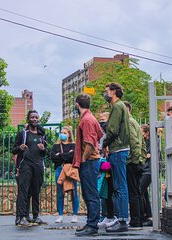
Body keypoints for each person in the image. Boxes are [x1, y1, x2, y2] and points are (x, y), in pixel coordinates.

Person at [72, 93, 103, 236]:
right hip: (90, 161)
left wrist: (83, 159)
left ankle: (92, 225)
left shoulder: (87, 120)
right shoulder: (88, 118)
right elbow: (100, 134)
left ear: (77, 104)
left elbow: (90, 143)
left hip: (90, 161)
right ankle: (90, 223)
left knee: (91, 194)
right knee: (88, 193)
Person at [102, 83, 130, 233]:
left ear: (113, 92)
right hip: (118, 149)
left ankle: (123, 220)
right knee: (119, 186)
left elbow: (112, 130)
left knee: (120, 186)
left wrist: (104, 144)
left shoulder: (117, 106)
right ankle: (120, 219)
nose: (105, 94)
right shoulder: (119, 107)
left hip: (118, 149)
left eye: (107, 91)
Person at [12, 110, 47, 227]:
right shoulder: (23, 134)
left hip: (38, 166)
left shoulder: (42, 135)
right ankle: (21, 217)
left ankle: (36, 216)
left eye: (36, 117)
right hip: (25, 165)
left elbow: (47, 152)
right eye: (32, 117)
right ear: (28, 119)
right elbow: (13, 149)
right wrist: (20, 148)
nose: (35, 119)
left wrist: (43, 149)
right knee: (24, 192)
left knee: (36, 192)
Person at [50, 126, 79, 223]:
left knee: (74, 192)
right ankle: (60, 215)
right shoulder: (55, 146)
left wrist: (60, 155)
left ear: (69, 135)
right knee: (59, 192)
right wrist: (66, 155)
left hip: (70, 170)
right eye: (61, 132)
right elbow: (53, 158)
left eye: (65, 133)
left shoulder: (73, 145)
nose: (62, 134)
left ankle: (75, 215)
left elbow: (73, 157)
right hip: (59, 169)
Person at [124, 101, 144, 227]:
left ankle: (135, 220)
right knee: (136, 192)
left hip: (132, 161)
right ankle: (138, 219)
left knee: (133, 192)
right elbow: (142, 143)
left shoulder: (129, 122)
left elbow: (134, 142)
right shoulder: (134, 122)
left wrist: (135, 159)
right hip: (136, 160)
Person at [140, 124, 153, 226]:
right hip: (144, 169)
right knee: (144, 193)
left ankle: (144, 215)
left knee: (139, 190)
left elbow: (149, 155)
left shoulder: (152, 141)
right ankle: (148, 216)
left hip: (149, 170)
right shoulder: (143, 141)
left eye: (142, 131)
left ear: (147, 132)